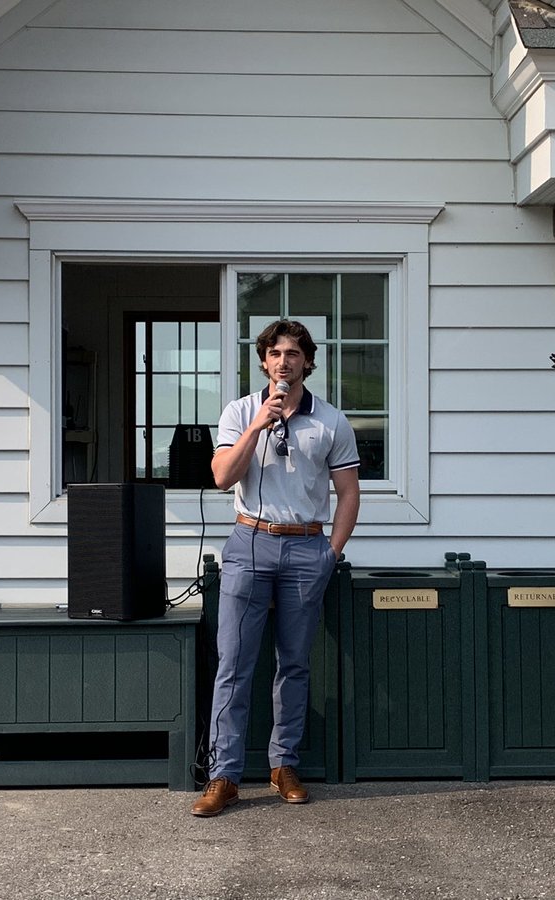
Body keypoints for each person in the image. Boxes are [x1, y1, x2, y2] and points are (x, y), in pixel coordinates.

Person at [191, 319, 360, 817]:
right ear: (263, 361)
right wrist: (258, 425)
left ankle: (283, 764)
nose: (284, 361)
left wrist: (331, 551)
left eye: (293, 353)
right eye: (275, 353)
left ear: (308, 361)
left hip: (307, 550)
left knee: (294, 664)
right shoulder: (241, 411)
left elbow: (349, 493)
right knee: (234, 664)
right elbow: (222, 477)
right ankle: (224, 776)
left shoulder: (331, 421)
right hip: (249, 542)